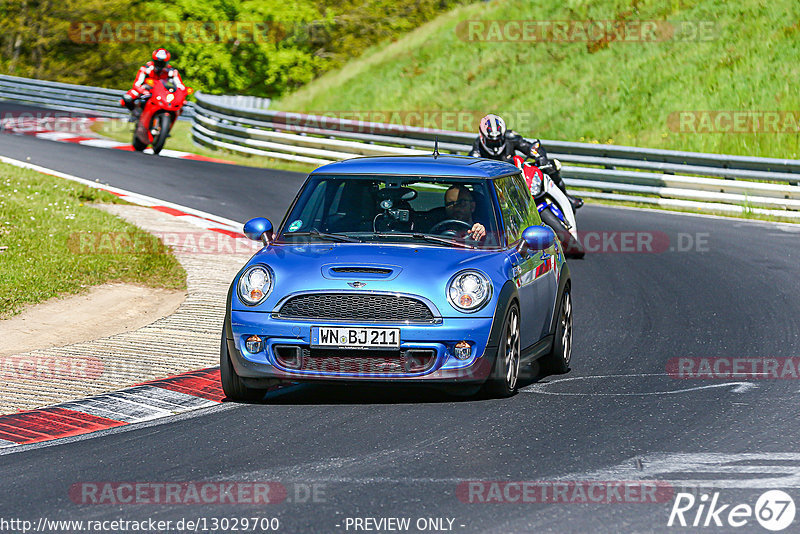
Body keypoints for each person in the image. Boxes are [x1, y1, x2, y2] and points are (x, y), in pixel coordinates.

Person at [469, 114, 583, 210]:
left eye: (498, 140)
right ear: (482, 137)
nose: (495, 145)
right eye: (491, 141)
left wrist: (540, 157)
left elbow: (530, 147)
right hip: (495, 183)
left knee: (551, 166)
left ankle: (566, 197)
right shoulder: (476, 151)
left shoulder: (511, 137)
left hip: (517, 173)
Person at [120, 48, 185, 122]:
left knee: (180, 105)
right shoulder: (146, 69)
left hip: (163, 94)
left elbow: (180, 85)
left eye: (162, 63)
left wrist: (181, 95)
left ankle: (167, 123)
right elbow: (137, 84)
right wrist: (143, 91)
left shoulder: (172, 71)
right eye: (158, 62)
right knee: (127, 98)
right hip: (147, 91)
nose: (160, 65)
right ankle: (136, 113)